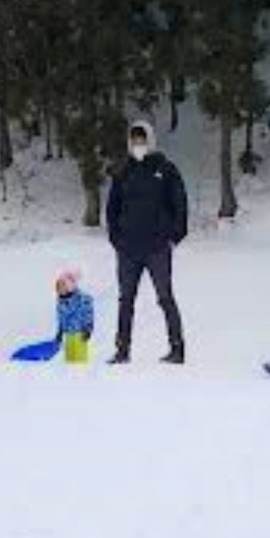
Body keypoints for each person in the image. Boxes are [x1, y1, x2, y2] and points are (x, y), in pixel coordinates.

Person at [105, 121, 190, 365]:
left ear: (150, 140)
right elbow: (113, 208)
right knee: (126, 300)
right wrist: (116, 238)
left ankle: (177, 348)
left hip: (157, 247)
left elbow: (180, 204)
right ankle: (122, 350)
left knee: (165, 297)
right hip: (128, 249)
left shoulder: (165, 168)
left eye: (142, 139)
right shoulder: (123, 171)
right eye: (134, 140)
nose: (138, 144)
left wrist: (174, 236)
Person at [53, 268, 94, 364]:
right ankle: (70, 377)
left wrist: (88, 328)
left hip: (80, 334)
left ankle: (80, 376)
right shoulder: (60, 302)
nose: (59, 289)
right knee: (69, 361)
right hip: (68, 334)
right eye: (58, 286)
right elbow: (61, 318)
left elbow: (88, 315)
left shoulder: (82, 300)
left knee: (79, 361)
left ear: (70, 287)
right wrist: (60, 331)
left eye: (62, 286)